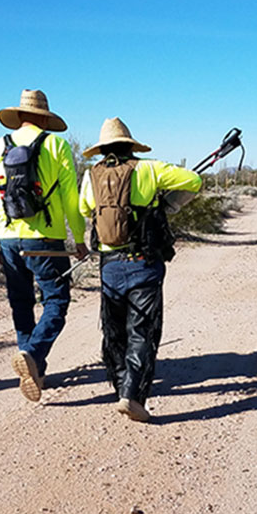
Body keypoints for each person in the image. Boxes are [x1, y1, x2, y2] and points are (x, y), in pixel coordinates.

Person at [78, 117, 202, 422]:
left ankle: (121, 386)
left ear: (103, 148)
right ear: (130, 146)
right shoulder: (148, 168)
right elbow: (194, 181)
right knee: (142, 331)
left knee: (114, 331)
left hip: (109, 265)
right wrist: (165, 204)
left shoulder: (90, 175)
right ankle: (132, 394)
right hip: (144, 262)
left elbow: (85, 210)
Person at [0, 89, 88, 402]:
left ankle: (33, 366)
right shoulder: (55, 144)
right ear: (44, 117)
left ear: (19, 115)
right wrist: (78, 237)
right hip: (46, 239)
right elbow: (70, 196)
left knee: (21, 302)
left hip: (8, 237)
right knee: (56, 300)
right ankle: (34, 355)